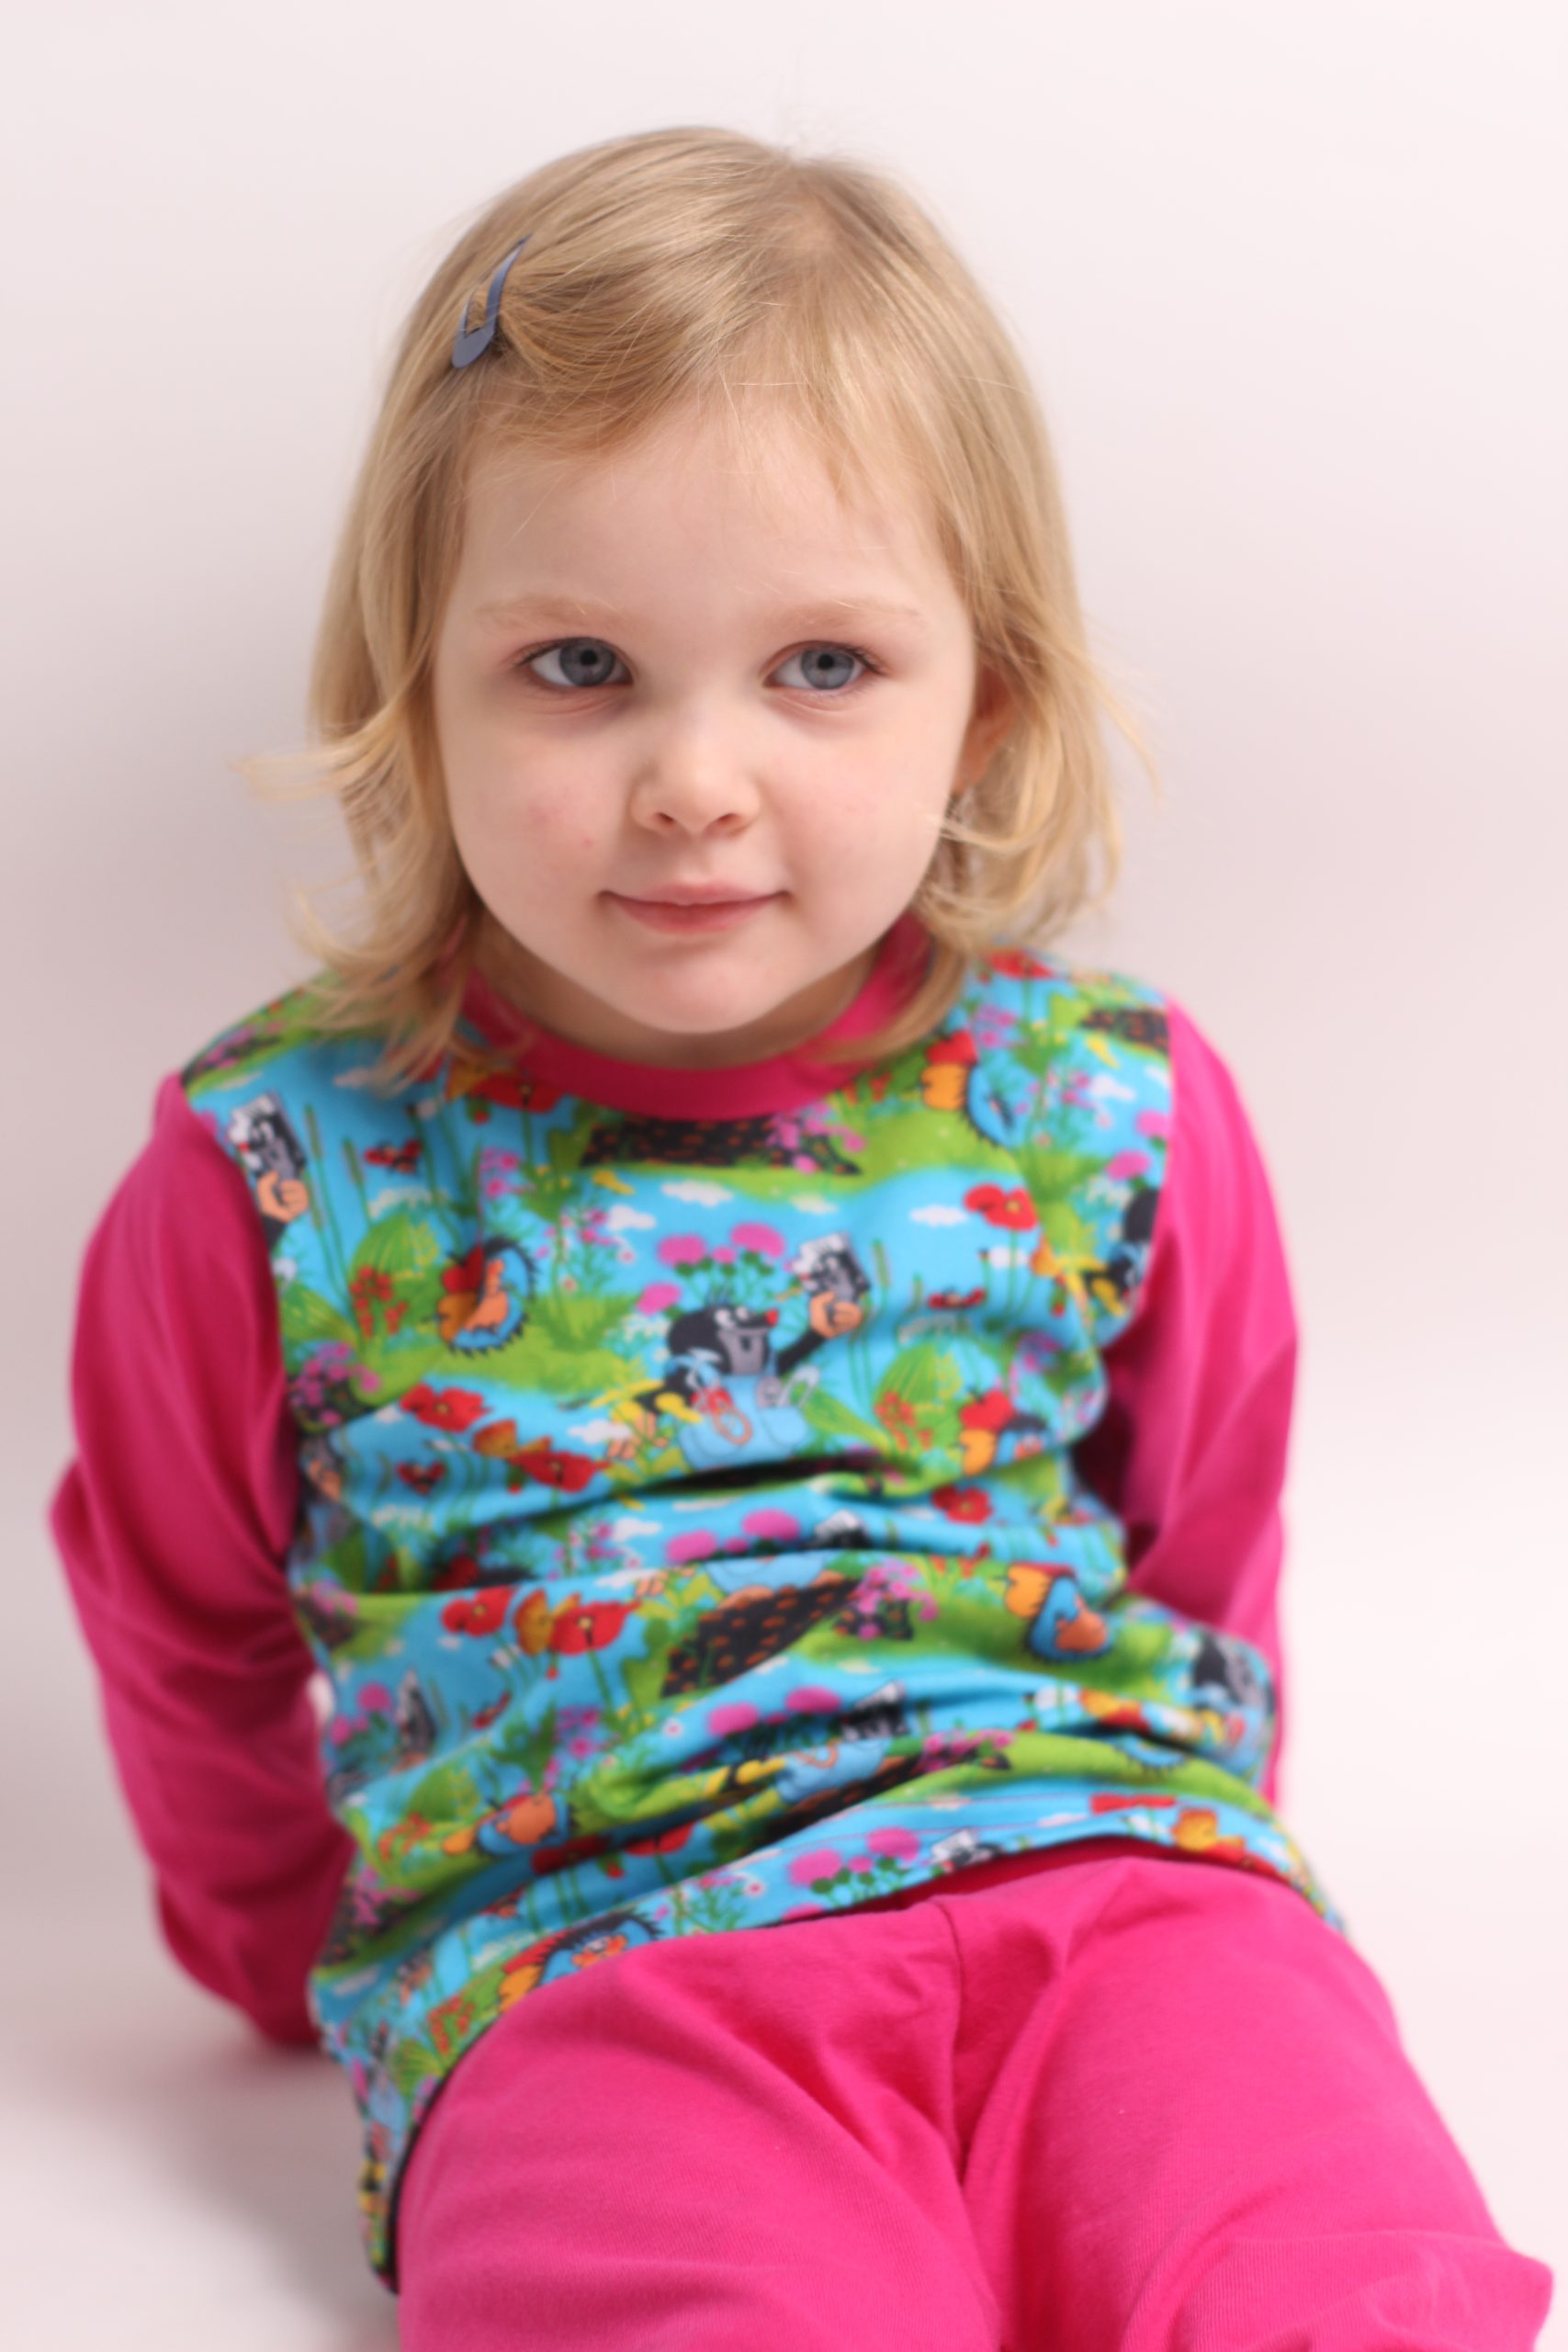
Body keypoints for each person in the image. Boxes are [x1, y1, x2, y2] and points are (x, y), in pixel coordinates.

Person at [49, 124, 1553, 2352]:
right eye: (579, 664)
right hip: (598, 1968)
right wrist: (278, 1939)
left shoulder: (1109, 1103)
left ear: (985, 702)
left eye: (822, 665)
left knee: (1343, 2280)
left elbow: (1202, 1534)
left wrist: (1201, 1860)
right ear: (414, 686)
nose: (695, 777)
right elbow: (183, 1617)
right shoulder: (278, 1167)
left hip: (1115, 1877)